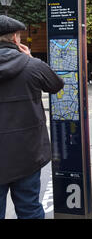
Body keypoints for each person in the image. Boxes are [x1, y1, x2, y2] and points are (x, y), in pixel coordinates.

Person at [0, 15, 64, 219]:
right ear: (16, 38)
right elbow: (56, 84)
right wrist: (30, 58)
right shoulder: (31, 66)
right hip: (27, 154)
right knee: (29, 209)